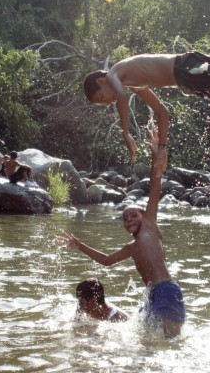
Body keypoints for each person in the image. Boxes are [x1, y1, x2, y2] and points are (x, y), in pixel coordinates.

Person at [58, 128, 185, 337]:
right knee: (144, 340)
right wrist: (79, 245)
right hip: (150, 295)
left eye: (133, 215)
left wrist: (156, 155)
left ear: (144, 216)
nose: (129, 220)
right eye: (125, 219)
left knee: (172, 342)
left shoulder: (150, 228)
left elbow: (155, 189)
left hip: (166, 290)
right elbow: (107, 261)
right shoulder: (132, 248)